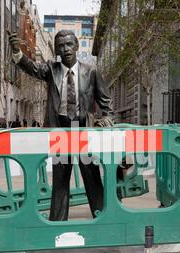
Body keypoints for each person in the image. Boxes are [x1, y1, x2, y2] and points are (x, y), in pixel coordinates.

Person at [8, 30, 114, 221]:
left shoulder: (91, 71)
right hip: (60, 131)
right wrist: (18, 52)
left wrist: (107, 117)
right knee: (60, 178)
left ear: (77, 46)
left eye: (69, 44)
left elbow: (106, 102)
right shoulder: (51, 69)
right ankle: (57, 223)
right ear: (56, 50)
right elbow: (32, 67)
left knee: (92, 177)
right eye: (61, 46)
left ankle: (102, 218)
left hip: (82, 130)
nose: (65, 49)